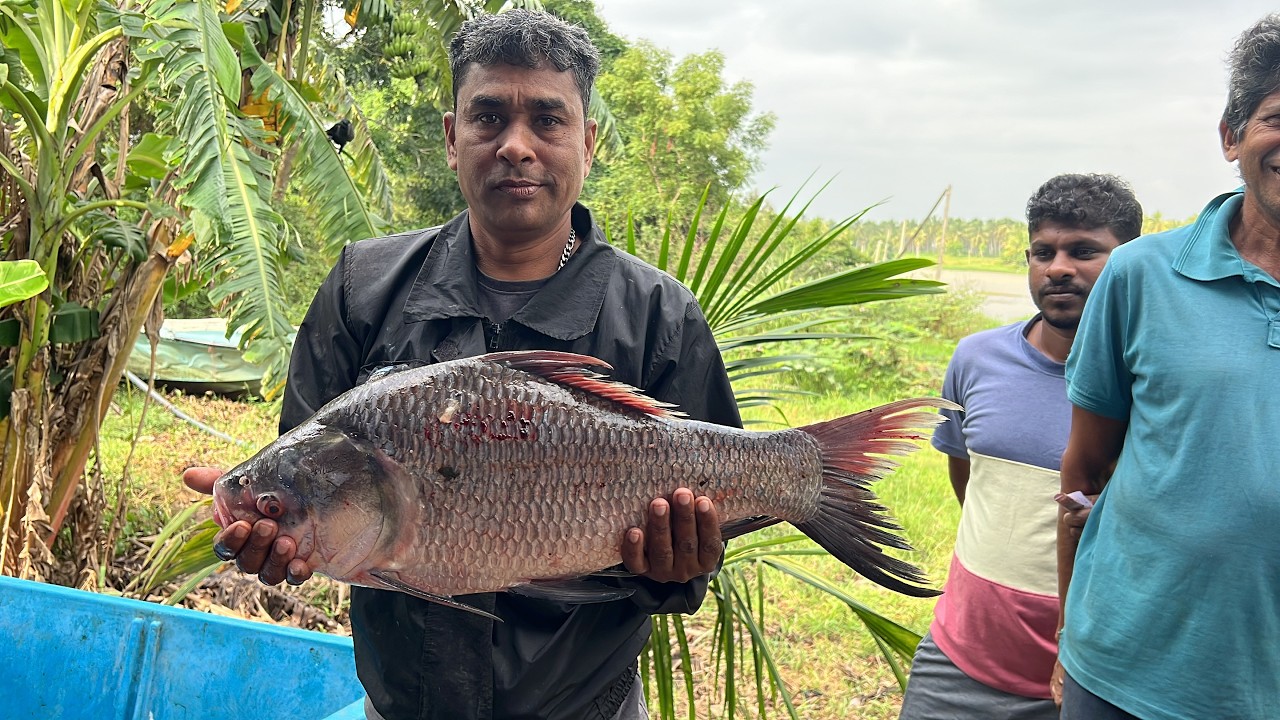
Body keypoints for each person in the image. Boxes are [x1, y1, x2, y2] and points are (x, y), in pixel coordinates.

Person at [183, 10, 740, 720]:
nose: (516, 146)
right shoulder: (363, 288)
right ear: (452, 138)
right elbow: (300, 480)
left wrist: (681, 563)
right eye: (488, 118)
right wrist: (267, 528)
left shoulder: (662, 317)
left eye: (547, 120)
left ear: (588, 141)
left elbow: (692, 569)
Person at [1056, 14, 1280, 720]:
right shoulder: (1141, 274)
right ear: (1231, 136)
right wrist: (1068, 629)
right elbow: (1084, 472)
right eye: (1278, 117)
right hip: (1123, 669)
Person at [898, 173, 1142, 720]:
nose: (1059, 267)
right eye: (1043, 251)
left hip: (1097, 677)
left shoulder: (1158, 381)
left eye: (1084, 251)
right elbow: (968, 480)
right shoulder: (975, 359)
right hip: (959, 658)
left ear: (1131, 262)